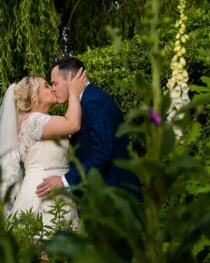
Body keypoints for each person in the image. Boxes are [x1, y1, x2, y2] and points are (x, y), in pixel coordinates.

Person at [0, 70, 87, 228]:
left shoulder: (40, 120)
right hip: (43, 193)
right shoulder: (32, 121)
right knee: (46, 244)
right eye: (46, 86)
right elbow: (72, 124)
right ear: (33, 96)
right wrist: (74, 93)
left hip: (55, 188)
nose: (52, 88)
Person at [36, 57, 140, 200]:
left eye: (55, 83)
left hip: (113, 194)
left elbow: (102, 154)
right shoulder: (85, 101)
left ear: (70, 79)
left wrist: (64, 180)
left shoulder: (94, 102)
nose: (53, 89)